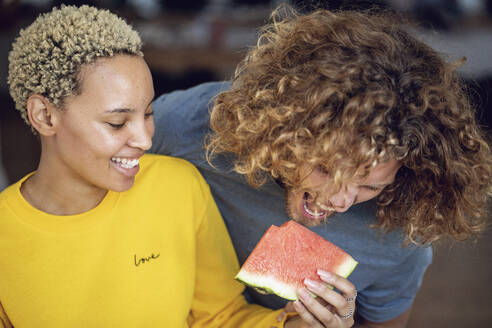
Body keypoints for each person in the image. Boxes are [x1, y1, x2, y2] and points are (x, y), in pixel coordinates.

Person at [150, 6, 492, 328]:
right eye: (326, 170)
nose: (340, 201)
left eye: (370, 186)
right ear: (287, 132)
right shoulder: (195, 125)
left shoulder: (400, 239)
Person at [0, 5, 323, 327]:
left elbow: (222, 316)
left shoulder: (179, 186)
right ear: (44, 115)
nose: (143, 139)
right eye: (116, 122)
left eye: (148, 114)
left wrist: (296, 323)